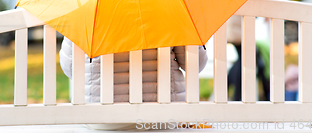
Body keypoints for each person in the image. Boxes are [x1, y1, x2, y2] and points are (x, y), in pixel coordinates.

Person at [60, 37, 208, 131]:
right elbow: (194, 65)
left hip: (102, 120)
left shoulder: (85, 11)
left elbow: (70, 69)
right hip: (162, 118)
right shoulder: (170, 7)